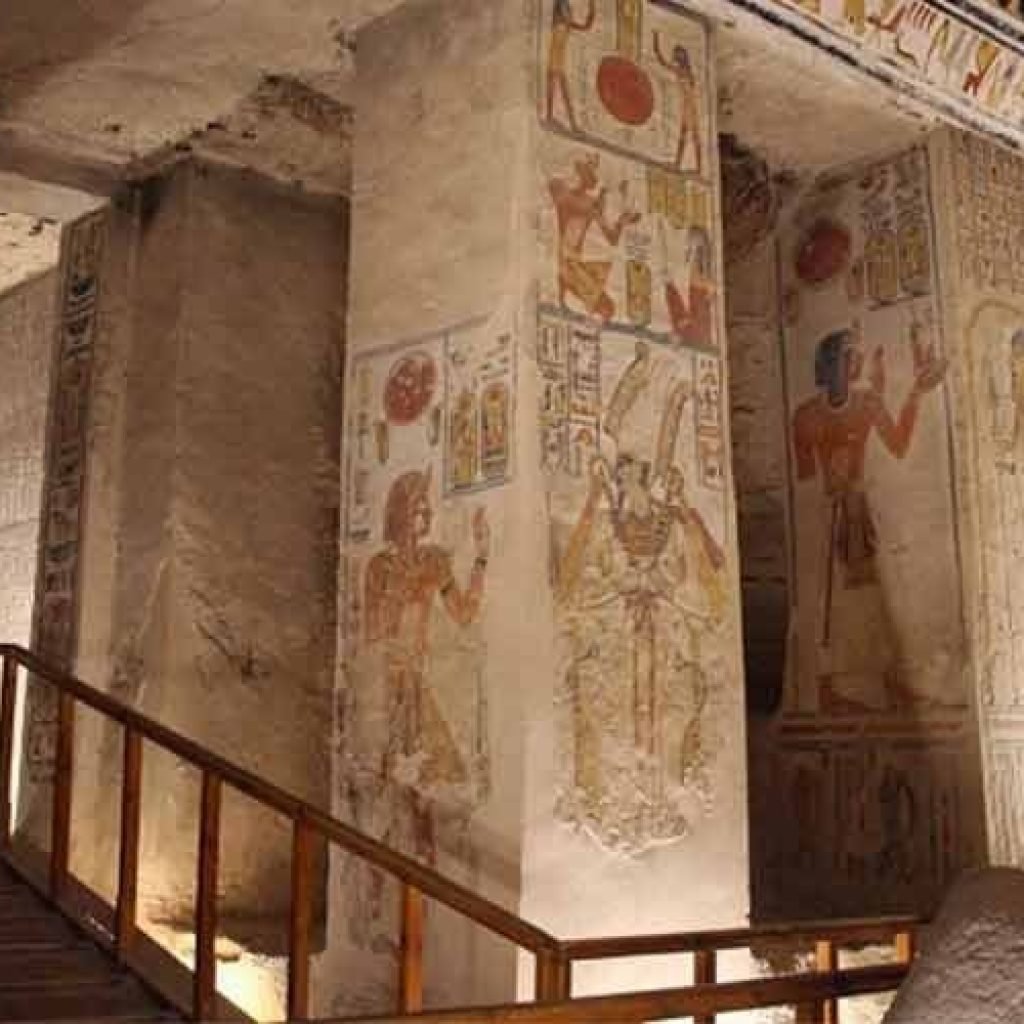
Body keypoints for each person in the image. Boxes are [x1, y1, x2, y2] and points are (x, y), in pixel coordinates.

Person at [791, 320, 946, 712]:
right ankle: (827, 686)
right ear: (833, 363)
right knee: (831, 601)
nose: (858, 359)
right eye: (850, 354)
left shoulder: (867, 404)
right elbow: (805, 478)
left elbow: (898, 443)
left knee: (883, 593)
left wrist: (914, 393)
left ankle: (889, 679)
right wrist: (829, 494)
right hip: (829, 515)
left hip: (862, 510)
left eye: (858, 354)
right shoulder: (806, 416)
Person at [363, 468, 490, 863]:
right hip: (389, 688)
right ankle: (379, 879)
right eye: (421, 510)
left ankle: (424, 868)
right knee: (390, 789)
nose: (429, 517)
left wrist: (482, 556)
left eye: (428, 509)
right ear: (402, 514)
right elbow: (372, 634)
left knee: (427, 789)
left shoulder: (435, 562)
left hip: (420, 684)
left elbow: (465, 612)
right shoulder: (379, 567)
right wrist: (399, 596)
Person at [548, 152, 640, 321]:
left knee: (608, 307)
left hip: (575, 262)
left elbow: (612, 238)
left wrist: (620, 221)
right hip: (567, 262)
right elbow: (557, 188)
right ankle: (567, 300)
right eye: (587, 172)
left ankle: (578, 309)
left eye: (590, 174)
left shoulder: (591, 204)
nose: (589, 179)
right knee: (603, 303)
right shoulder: (570, 198)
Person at [652, 32, 702, 174]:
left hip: (690, 107)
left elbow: (663, 62)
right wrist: (656, 45)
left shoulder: (682, 72)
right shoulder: (685, 72)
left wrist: (656, 45)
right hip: (687, 106)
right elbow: (663, 62)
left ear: (681, 58)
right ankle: (680, 164)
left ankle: (696, 167)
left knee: (691, 136)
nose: (674, 57)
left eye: (676, 55)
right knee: (685, 136)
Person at [546, 0, 596, 132]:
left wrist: (590, 15)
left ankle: (559, 119)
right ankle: (567, 122)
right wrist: (589, 16)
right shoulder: (561, 4)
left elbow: (579, 26)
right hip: (557, 43)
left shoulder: (565, 6)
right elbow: (571, 23)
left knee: (558, 82)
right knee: (558, 82)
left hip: (559, 44)